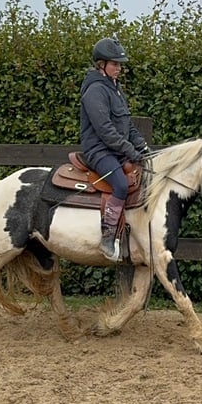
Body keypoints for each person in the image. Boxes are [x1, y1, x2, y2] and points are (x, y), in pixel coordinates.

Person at [80, 37, 150, 261]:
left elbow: (127, 126)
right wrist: (130, 151)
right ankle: (108, 236)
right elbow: (105, 130)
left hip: (115, 150)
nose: (119, 68)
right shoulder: (95, 91)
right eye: (115, 64)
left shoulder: (115, 89)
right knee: (120, 183)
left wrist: (144, 148)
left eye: (120, 64)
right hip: (99, 151)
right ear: (101, 64)